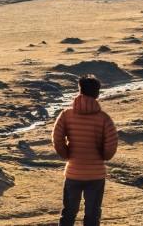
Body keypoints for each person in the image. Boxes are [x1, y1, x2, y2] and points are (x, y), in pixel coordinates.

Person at [52, 74, 118, 226]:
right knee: (92, 215)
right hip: (96, 175)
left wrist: (66, 154)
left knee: (68, 213)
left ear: (79, 90)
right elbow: (111, 146)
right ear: (97, 93)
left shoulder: (66, 115)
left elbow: (57, 139)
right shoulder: (104, 118)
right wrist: (102, 157)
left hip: (73, 172)